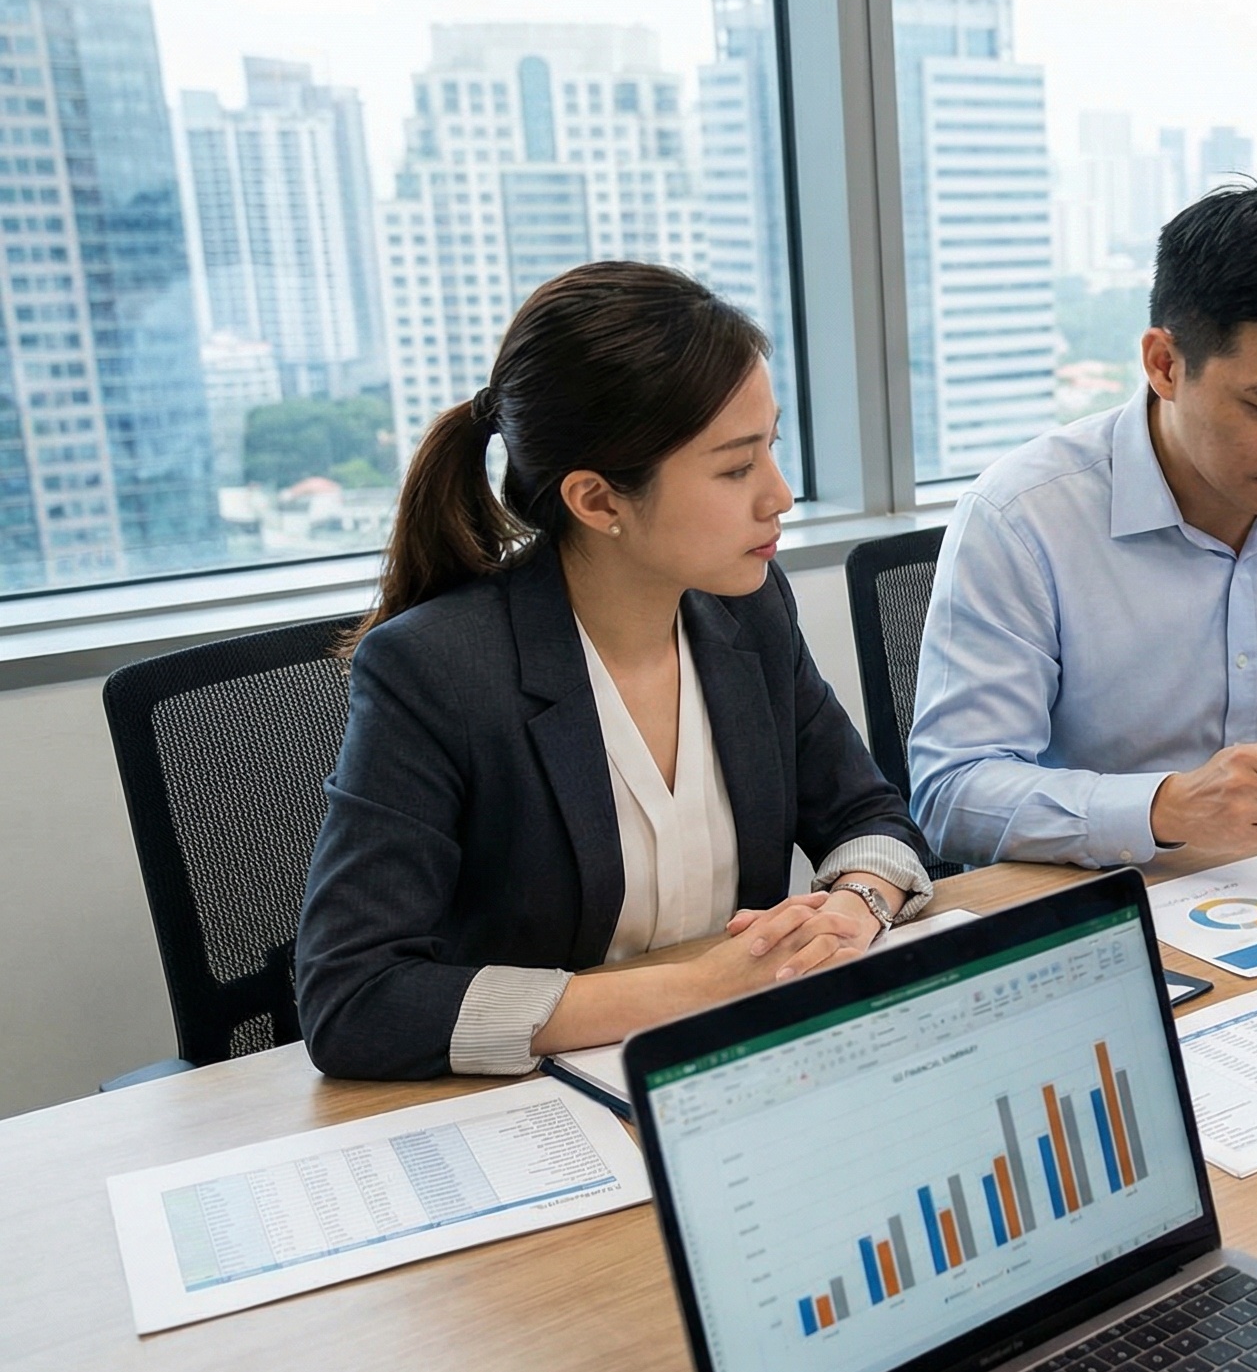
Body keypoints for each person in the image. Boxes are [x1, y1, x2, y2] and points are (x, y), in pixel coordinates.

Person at [296, 262, 931, 1081]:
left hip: (734, 1071)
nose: (780, 495)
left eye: (770, 449)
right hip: (534, 1110)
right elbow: (353, 997)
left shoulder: (749, 610)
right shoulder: (436, 670)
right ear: (598, 502)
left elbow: (870, 814)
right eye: (736, 468)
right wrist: (691, 991)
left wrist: (854, 907)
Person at [903, 184, 1257, 869]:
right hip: (1111, 909)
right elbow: (952, 795)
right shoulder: (1023, 519)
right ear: (1165, 365)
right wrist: (1166, 806)